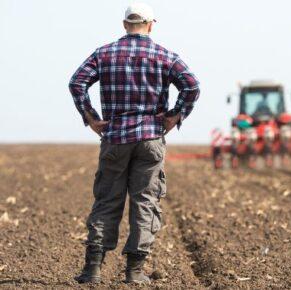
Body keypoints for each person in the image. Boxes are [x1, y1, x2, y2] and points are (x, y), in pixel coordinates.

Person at [68, 2, 200, 284]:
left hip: (115, 138)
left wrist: (91, 118)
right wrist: (175, 116)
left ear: (125, 24)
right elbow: (192, 85)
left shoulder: (104, 54)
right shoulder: (165, 56)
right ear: (151, 25)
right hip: (150, 138)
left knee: (107, 201)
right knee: (145, 202)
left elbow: (76, 82)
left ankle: (93, 270)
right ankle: (135, 272)